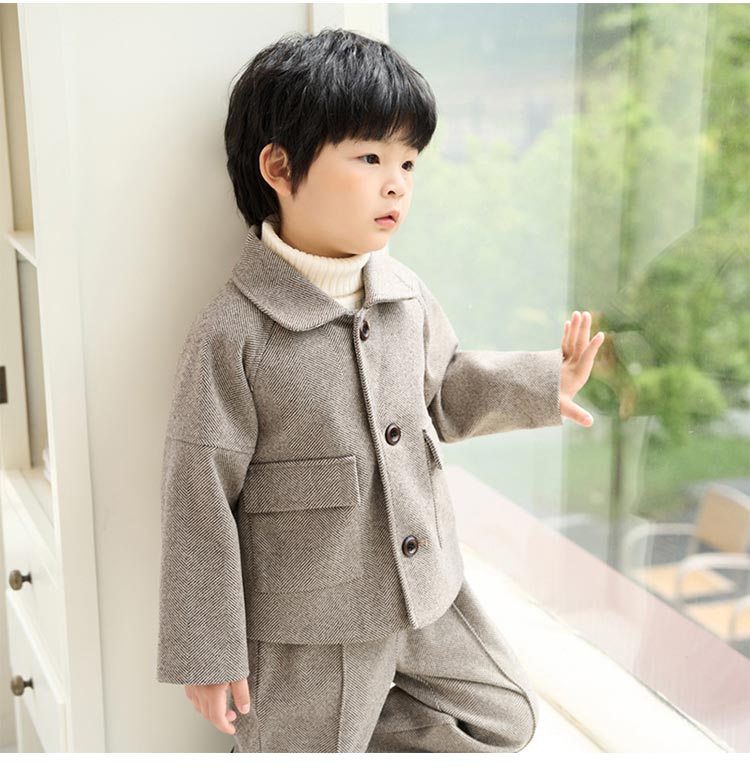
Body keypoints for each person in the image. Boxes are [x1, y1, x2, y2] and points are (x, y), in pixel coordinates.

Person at [155, 27, 604, 753]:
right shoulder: (236, 331)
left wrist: (544, 381)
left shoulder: (403, 294)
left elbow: (445, 387)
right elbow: (196, 491)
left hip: (426, 592)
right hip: (311, 623)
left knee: (506, 719)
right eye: (369, 158)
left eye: (408, 162)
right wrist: (207, 651)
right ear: (279, 167)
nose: (396, 183)